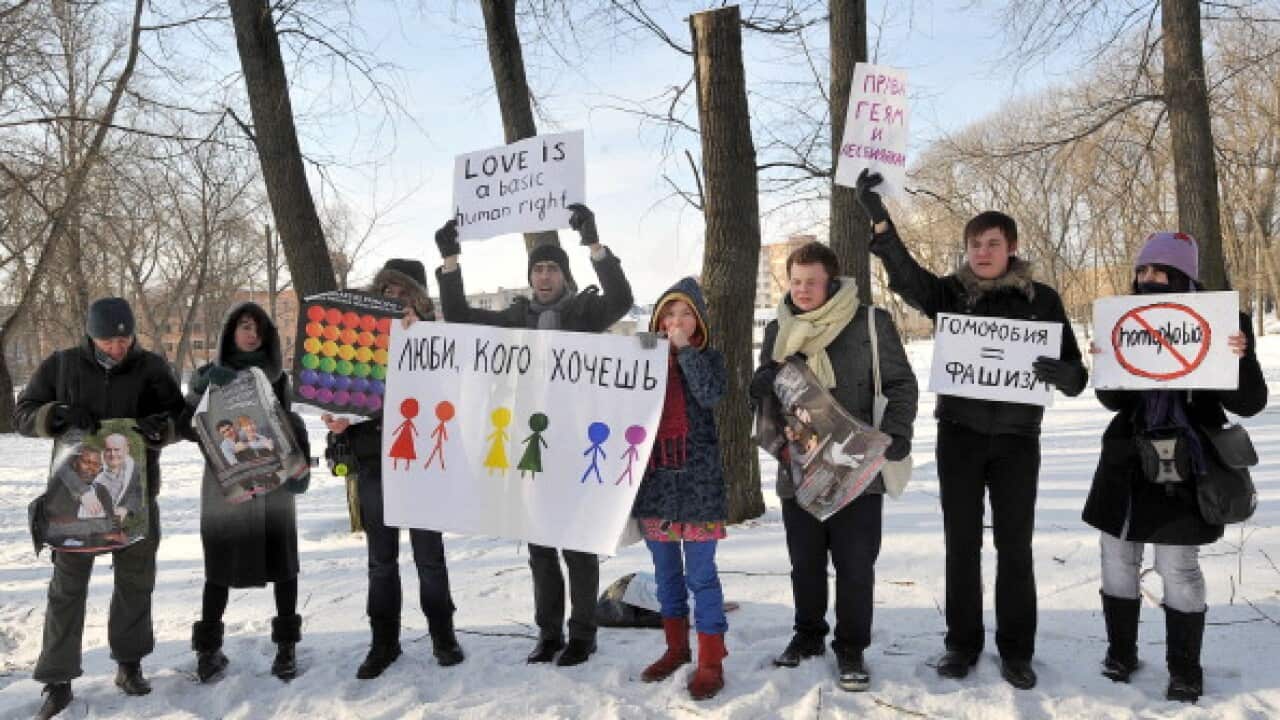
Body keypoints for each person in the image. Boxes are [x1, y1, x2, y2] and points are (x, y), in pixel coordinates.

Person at [857, 170, 1088, 689]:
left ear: (1012, 247)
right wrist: (880, 220)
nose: (981, 252)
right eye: (973, 244)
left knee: (1015, 546)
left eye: (991, 243)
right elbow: (909, 278)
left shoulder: (1042, 300)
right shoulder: (952, 294)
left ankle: (1017, 650)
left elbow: (1076, 376)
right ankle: (961, 644)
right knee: (960, 544)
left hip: (1017, 441)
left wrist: (1066, 374)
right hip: (959, 437)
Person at [434, 203, 633, 666]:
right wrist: (450, 261)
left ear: (563, 274)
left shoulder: (585, 312)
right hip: (531, 445)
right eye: (538, 269)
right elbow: (460, 313)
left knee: (578, 546)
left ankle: (582, 634)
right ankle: (549, 635)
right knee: (540, 546)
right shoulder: (515, 318)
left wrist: (594, 245)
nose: (544, 276)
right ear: (531, 277)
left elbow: (621, 300)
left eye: (552, 269)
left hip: (578, 443)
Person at [1082, 231, 1266, 703]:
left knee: (1177, 566)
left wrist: (1239, 358)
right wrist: (1107, 363)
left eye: (1159, 271)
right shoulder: (1128, 319)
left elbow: (1249, 402)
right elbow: (1113, 401)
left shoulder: (1223, 321)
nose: (1148, 279)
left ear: (1183, 275)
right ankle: (1120, 653)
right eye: (1142, 271)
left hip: (1191, 461)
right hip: (1128, 458)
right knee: (1118, 558)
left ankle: (1184, 668)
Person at [748, 241, 919, 692]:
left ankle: (851, 647)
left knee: (855, 563)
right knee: (804, 561)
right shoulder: (778, 328)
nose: (802, 290)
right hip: (799, 463)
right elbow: (770, 394)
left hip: (857, 464)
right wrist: (760, 385)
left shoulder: (868, 321)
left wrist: (898, 433)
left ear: (831, 281)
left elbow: (902, 383)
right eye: (796, 281)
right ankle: (807, 637)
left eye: (812, 281)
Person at [13, 297, 184, 720]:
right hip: (74, 502)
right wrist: (58, 415)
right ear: (91, 336)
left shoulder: (152, 368)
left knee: (135, 583)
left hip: (136, 499)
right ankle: (57, 679)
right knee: (67, 589)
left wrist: (161, 429)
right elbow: (23, 414)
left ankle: (130, 665)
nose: (117, 348)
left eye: (124, 340)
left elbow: (181, 417)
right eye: (108, 341)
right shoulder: (62, 365)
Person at [321, 258, 466, 678]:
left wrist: (420, 332)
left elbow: (455, 391)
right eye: (388, 293)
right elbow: (340, 398)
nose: (395, 300)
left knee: (429, 557)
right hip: (373, 461)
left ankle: (443, 634)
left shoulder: (436, 340)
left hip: (423, 464)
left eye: (404, 294)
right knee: (380, 560)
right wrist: (338, 420)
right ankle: (383, 641)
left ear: (417, 300)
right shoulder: (358, 342)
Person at [180, 303, 311, 683]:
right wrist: (202, 389)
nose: (252, 334)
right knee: (219, 564)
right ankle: (208, 650)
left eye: (258, 328)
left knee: (284, 563)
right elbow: (188, 427)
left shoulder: (278, 378)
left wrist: (299, 457)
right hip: (228, 484)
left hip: (274, 485)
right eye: (244, 326)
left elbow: (287, 421)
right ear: (230, 332)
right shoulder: (208, 376)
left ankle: (286, 647)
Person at [630, 278, 729, 700]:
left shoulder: (709, 358)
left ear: (698, 320)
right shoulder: (642, 362)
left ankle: (711, 660)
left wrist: (685, 350)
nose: (675, 321)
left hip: (699, 486)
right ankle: (675, 647)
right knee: (667, 577)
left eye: (685, 313)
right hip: (656, 486)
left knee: (702, 577)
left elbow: (709, 394)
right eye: (668, 314)